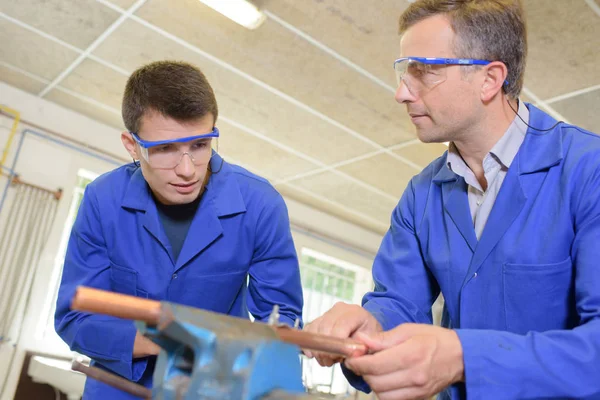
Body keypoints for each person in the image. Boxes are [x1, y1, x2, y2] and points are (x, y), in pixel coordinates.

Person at [304, 1, 600, 399]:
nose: (401, 93)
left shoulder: (587, 170)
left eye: (424, 71)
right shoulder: (420, 195)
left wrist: (465, 357)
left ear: (489, 79)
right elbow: (399, 306)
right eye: (402, 72)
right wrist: (368, 327)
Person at [55, 61, 304, 399]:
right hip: (117, 388)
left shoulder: (261, 205)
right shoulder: (103, 200)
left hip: (214, 387)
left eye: (200, 145)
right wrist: (166, 344)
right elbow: (75, 317)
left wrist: (268, 357)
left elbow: (281, 316)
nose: (187, 170)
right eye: (164, 149)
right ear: (131, 145)